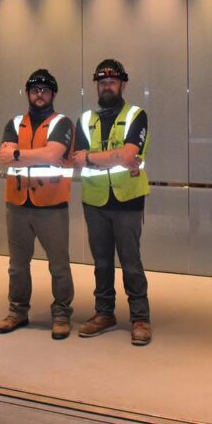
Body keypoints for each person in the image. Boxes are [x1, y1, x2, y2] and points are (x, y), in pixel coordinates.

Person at [72, 59, 152, 346]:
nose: (107, 87)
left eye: (112, 82)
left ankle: (140, 318)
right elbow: (76, 159)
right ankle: (104, 313)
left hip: (127, 199)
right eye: (102, 82)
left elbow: (130, 155)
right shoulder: (85, 120)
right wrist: (114, 157)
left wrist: (92, 159)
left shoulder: (136, 115)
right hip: (94, 201)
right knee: (101, 262)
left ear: (123, 84)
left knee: (131, 261)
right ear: (97, 85)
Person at [0, 69, 76, 340]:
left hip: (51, 204)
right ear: (28, 93)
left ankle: (62, 313)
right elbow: (4, 158)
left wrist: (19, 154)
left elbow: (54, 155)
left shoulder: (62, 123)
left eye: (44, 90)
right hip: (17, 204)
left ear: (53, 93)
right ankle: (17, 310)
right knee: (17, 264)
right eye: (34, 90)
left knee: (59, 265)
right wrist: (32, 156)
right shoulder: (15, 122)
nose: (39, 94)